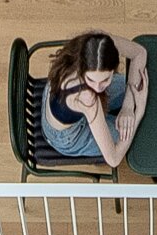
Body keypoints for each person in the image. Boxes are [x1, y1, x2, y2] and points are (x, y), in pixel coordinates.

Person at [41, 31, 148, 168]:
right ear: (82, 67)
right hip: (66, 136)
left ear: (114, 67)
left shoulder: (97, 44)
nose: (98, 88)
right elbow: (114, 159)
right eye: (91, 79)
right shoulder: (87, 98)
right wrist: (138, 112)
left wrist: (128, 107)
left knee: (135, 88)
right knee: (137, 131)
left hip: (57, 100)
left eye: (105, 79)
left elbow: (140, 53)